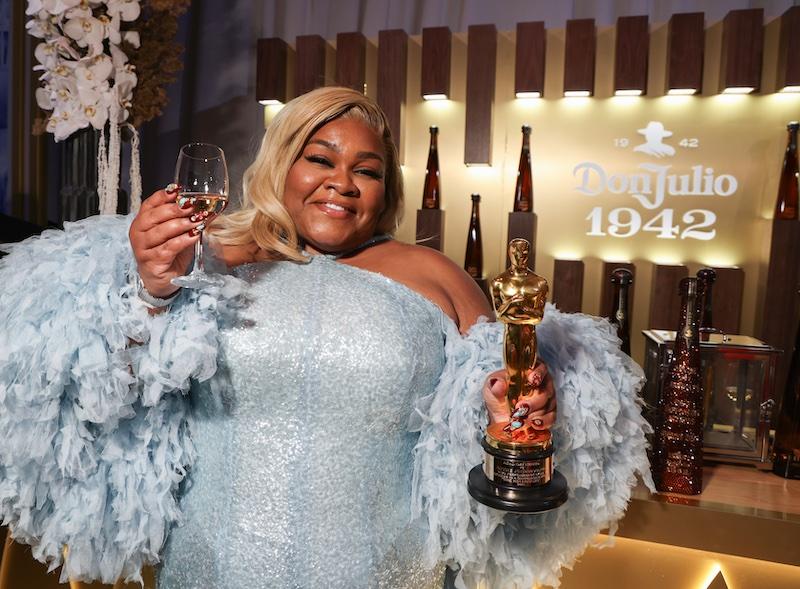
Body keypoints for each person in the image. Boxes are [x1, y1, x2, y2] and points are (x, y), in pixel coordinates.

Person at [0, 87, 652, 589]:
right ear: (283, 163)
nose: (341, 181)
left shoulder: (436, 276)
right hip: (213, 569)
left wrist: (516, 411)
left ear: (384, 188)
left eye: (365, 169)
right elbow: (121, 398)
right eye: (320, 159)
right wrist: (149, 287)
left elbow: (491, 421)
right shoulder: (210, 256)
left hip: (385, 571)